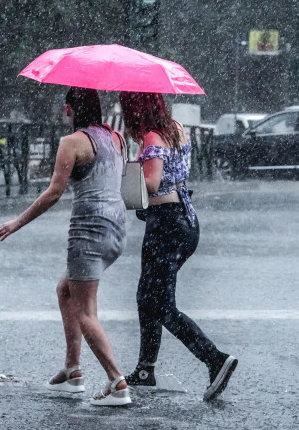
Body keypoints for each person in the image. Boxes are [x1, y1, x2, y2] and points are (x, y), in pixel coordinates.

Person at [0, 87, 131, 407]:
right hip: (116, 231)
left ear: (69, 110)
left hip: (88, 232)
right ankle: (72, 370)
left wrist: (16, 223)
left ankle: (117, 381)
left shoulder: (71, 143)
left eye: (64, 109)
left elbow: (54, 192)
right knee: (65, 289)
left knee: (85, 312)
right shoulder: (117, 139)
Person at [119, 91, 238, 402]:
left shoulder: (152, 137)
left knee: (160, 304)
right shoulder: (176, 128)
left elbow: (153, 183)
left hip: (166, 225)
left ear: (134, 109)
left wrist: (122, 177)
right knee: (148, 296)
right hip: (184, 221)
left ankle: (214, 359)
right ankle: (145, 371)